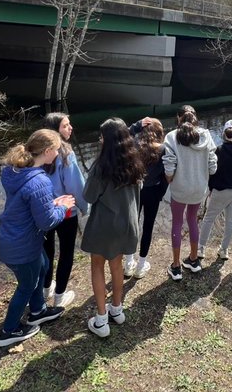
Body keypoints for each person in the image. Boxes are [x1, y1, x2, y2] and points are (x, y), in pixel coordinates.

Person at [0, 129, 75, 347]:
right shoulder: (40, 181)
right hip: (22, 246)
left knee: (44, 266)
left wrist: (53, 204)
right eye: (56, 150)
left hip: (13, 236)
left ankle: (38, 311)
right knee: (26, 286)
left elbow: (30, 205)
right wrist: (63, 207)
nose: (57, 154)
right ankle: (8, 331)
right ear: (48, 152)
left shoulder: (15, 171)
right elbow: (46, 222)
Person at [79, 118, 143, 339]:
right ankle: (117, 309)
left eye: (101, 135)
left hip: (105, 225)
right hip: (127, 223)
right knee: (116, 266)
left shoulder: (101, 167)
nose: (99, 139)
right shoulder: (134, 161)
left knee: (97, 266)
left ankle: (101, 320)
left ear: (107, 139)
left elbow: (88, 196)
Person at [161, 107, 217, 280]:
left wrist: (169, 178)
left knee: (177, 223)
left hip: (180, 189)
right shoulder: (207, 136)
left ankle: (176, 267)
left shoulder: (171, 137)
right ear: (195, 119)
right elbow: (213, 167)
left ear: (179, 119)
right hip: (199, 189)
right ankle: (194, 260)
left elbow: (169, 166)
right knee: (192, 220)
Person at [38, 113, 86, 308]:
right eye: (66, 126)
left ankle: (45, 289)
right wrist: (84, 206)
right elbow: (76, 185)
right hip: (66, 212)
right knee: (66, 253)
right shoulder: (65, 153)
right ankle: (59, 296)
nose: (70, 128)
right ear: (56, 130)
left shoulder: (36, 151)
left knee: (46, 252)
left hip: (43, 211)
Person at [199, 119, 232, 261]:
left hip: (220, 190)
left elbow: (213, 172)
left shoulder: (219, 150)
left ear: (224, 134)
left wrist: (210, 188)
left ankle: (201, 248)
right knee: (230, 221)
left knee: (209, 218)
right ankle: (224, 250)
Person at [123, 116, 167, 279]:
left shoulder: (133, 145)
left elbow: (120, 136)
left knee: (131, 226)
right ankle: (141, 265)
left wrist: (135, 126)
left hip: (134, 191)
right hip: (153, 191)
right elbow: (165, 176)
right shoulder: (162, 148)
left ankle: (128, 263)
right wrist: (161, 193)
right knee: (147, 227)